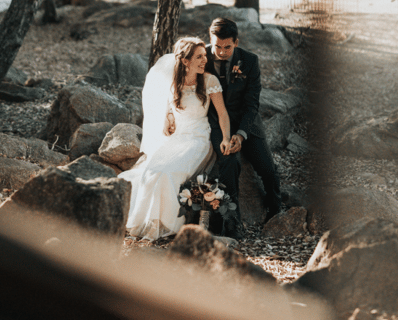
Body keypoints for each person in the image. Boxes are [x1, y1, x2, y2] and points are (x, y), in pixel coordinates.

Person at [119, 37, 232, 241]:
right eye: (198, 57)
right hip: (177, 139)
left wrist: (226, 138)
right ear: (185, 61)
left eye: (204, 56)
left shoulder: (209, 81)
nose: (204, 60)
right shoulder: (173, 83)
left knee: (168, 174)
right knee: (151, 173)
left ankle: (166, 225)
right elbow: (168, 108)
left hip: (198, 139)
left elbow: (223, 113)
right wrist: (169, 117)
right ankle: (148, 223)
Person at [206, 17, 281, 237]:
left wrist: (241, 134)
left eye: (227, 47)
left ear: (236, 42)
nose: (221, 52)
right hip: (217, 122)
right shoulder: (202, 58)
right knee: (230, 163)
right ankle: (232, 222)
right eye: (217, 46)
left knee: (268, 169)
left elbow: (252, 104)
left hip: (248, 123)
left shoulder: (250, 61)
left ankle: (276, 210)